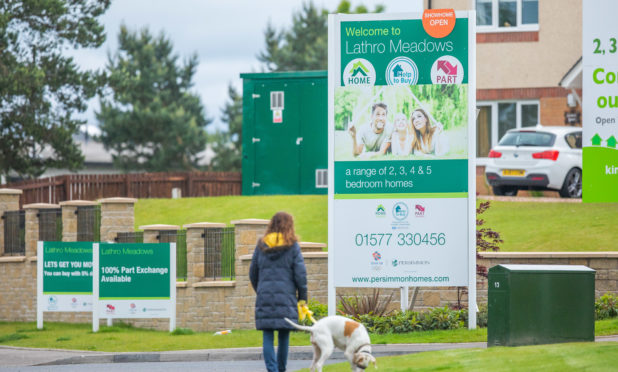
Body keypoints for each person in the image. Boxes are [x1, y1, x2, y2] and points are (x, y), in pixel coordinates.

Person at [249, 212, 308, 372]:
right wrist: (302, 298)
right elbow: (300, 274)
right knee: (284, 335)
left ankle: (272, 370)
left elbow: (253, 272)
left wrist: (260, 290)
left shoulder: (261, 245)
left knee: (267, 335)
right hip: (286, 297)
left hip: (264, 296)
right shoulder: (292, 245)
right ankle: (281, 370)